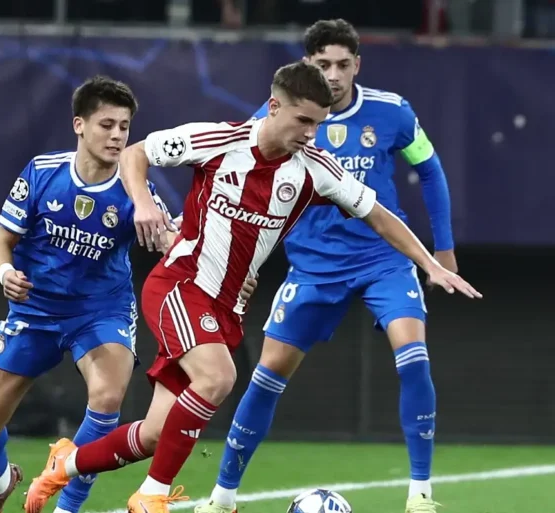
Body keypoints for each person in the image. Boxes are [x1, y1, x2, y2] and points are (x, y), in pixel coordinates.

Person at [23, 61, 481, 513]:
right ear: (274, 106)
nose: (311, 134)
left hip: (225, 307)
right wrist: (143, 203)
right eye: (303, 121)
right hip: (180, 284)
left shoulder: (316, 168)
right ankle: (151, 496)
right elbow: (135, 154)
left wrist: (429, 263)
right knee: (219, 377)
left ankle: (66, 464)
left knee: (157, 432)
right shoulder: (220, 140)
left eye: (318, 124)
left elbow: (378, 215)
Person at [197, 19, 455, 513]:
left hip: (383, 259)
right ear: (307, 65)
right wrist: (240, 262)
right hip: (313, 266)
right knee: (268, 374)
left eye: (342, 64)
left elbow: (430, 169)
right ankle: (223, 497)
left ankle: (421, 494)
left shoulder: (393, 111)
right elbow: (244, 181)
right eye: (323, 65)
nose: (333, 75)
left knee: (413, 355)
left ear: (358, 65)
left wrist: (442, 251)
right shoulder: (277, 116)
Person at [0, 76, 171, 513]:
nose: (117, 136)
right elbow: (0, 243)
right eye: (106, 125)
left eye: (124, 127)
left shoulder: (137, 192)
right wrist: (5, 271)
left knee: (107, 398)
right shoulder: (43, 173)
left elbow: (172, 245)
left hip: (101, 311)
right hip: (35, 311)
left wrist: (219, 269)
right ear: (79, 125)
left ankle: (67, 507)